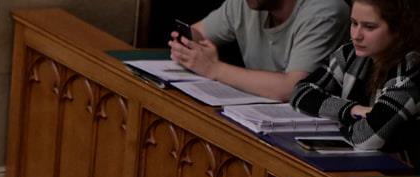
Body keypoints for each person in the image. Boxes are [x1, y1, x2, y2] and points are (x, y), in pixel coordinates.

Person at [290, 0, 420, 162]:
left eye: (369, 27)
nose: (356, 35)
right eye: (354, 23)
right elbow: (300, 93)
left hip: (402, 172)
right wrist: (351, 110)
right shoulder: (350, 53)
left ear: (398, 30)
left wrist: (338, 121)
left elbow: (365, 138)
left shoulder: (411, 69)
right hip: (363, 162)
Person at [169, 0, 349, 101]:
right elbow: (198, 33)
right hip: (255, 114)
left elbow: (292, 88)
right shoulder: (246, 3)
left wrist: (213, 68)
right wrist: (187, 45)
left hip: (310, 127)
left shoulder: (325, 10)